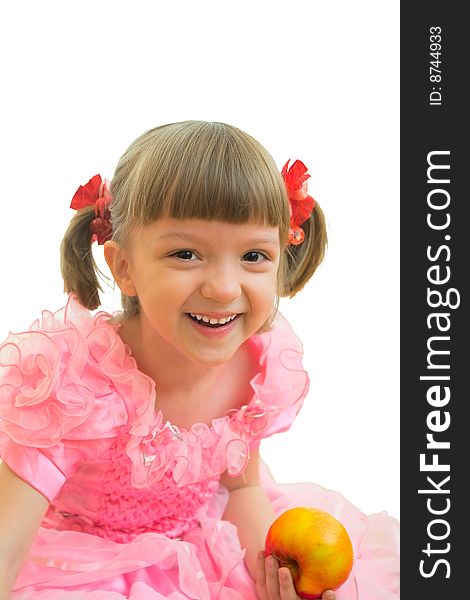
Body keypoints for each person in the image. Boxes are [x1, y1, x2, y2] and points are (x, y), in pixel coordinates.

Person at [0, 121, 399, 599]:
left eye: (254, 255)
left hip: (200, 546)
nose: (224, 288)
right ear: (124, 266)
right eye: (186, 253)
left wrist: (270, 578)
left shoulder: (255, 368)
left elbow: (243, 486)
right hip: (75, 564)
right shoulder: (73, 385)